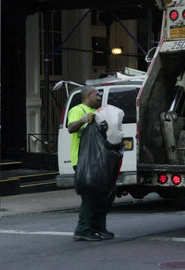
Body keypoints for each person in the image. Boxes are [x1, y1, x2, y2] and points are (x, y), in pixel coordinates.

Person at [68, 86, 115, 241]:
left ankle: (98, 226)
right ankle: (83, 229)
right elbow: (70, 128)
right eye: (97, 94)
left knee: (106, 193)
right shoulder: (78, 109)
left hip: (97, 160)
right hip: (83, 160)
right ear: (89, 94)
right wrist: (82, 120)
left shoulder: (97, 112)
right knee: (90, 195)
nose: (99, 97)